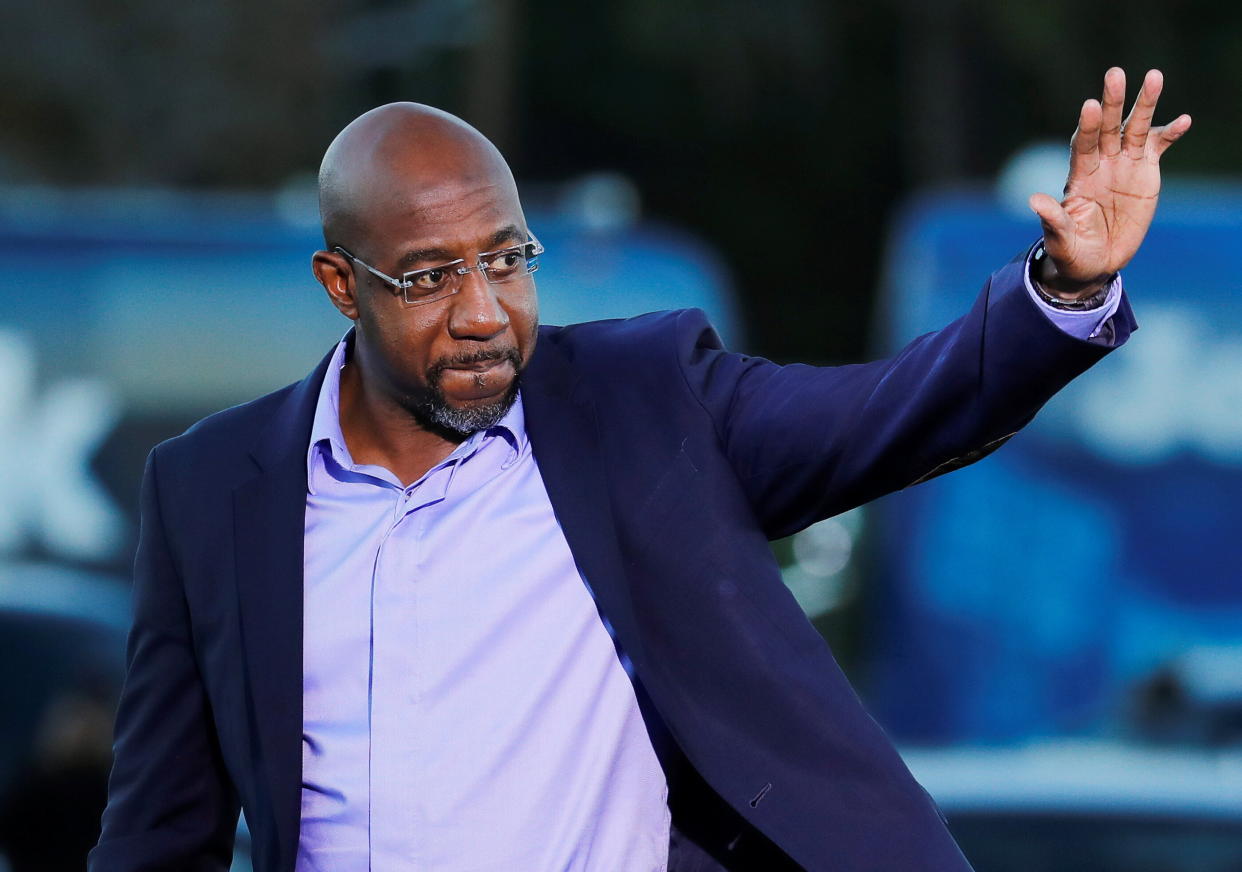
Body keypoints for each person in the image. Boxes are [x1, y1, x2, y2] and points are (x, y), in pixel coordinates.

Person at [91, 68, 1189, 871]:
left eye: (508, 260)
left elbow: (888, 412)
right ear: (343, 282)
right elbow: (158, 832)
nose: (484, 313)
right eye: (428, 276)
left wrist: (1061, 286)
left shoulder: (644, 400)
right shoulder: (211, 490)